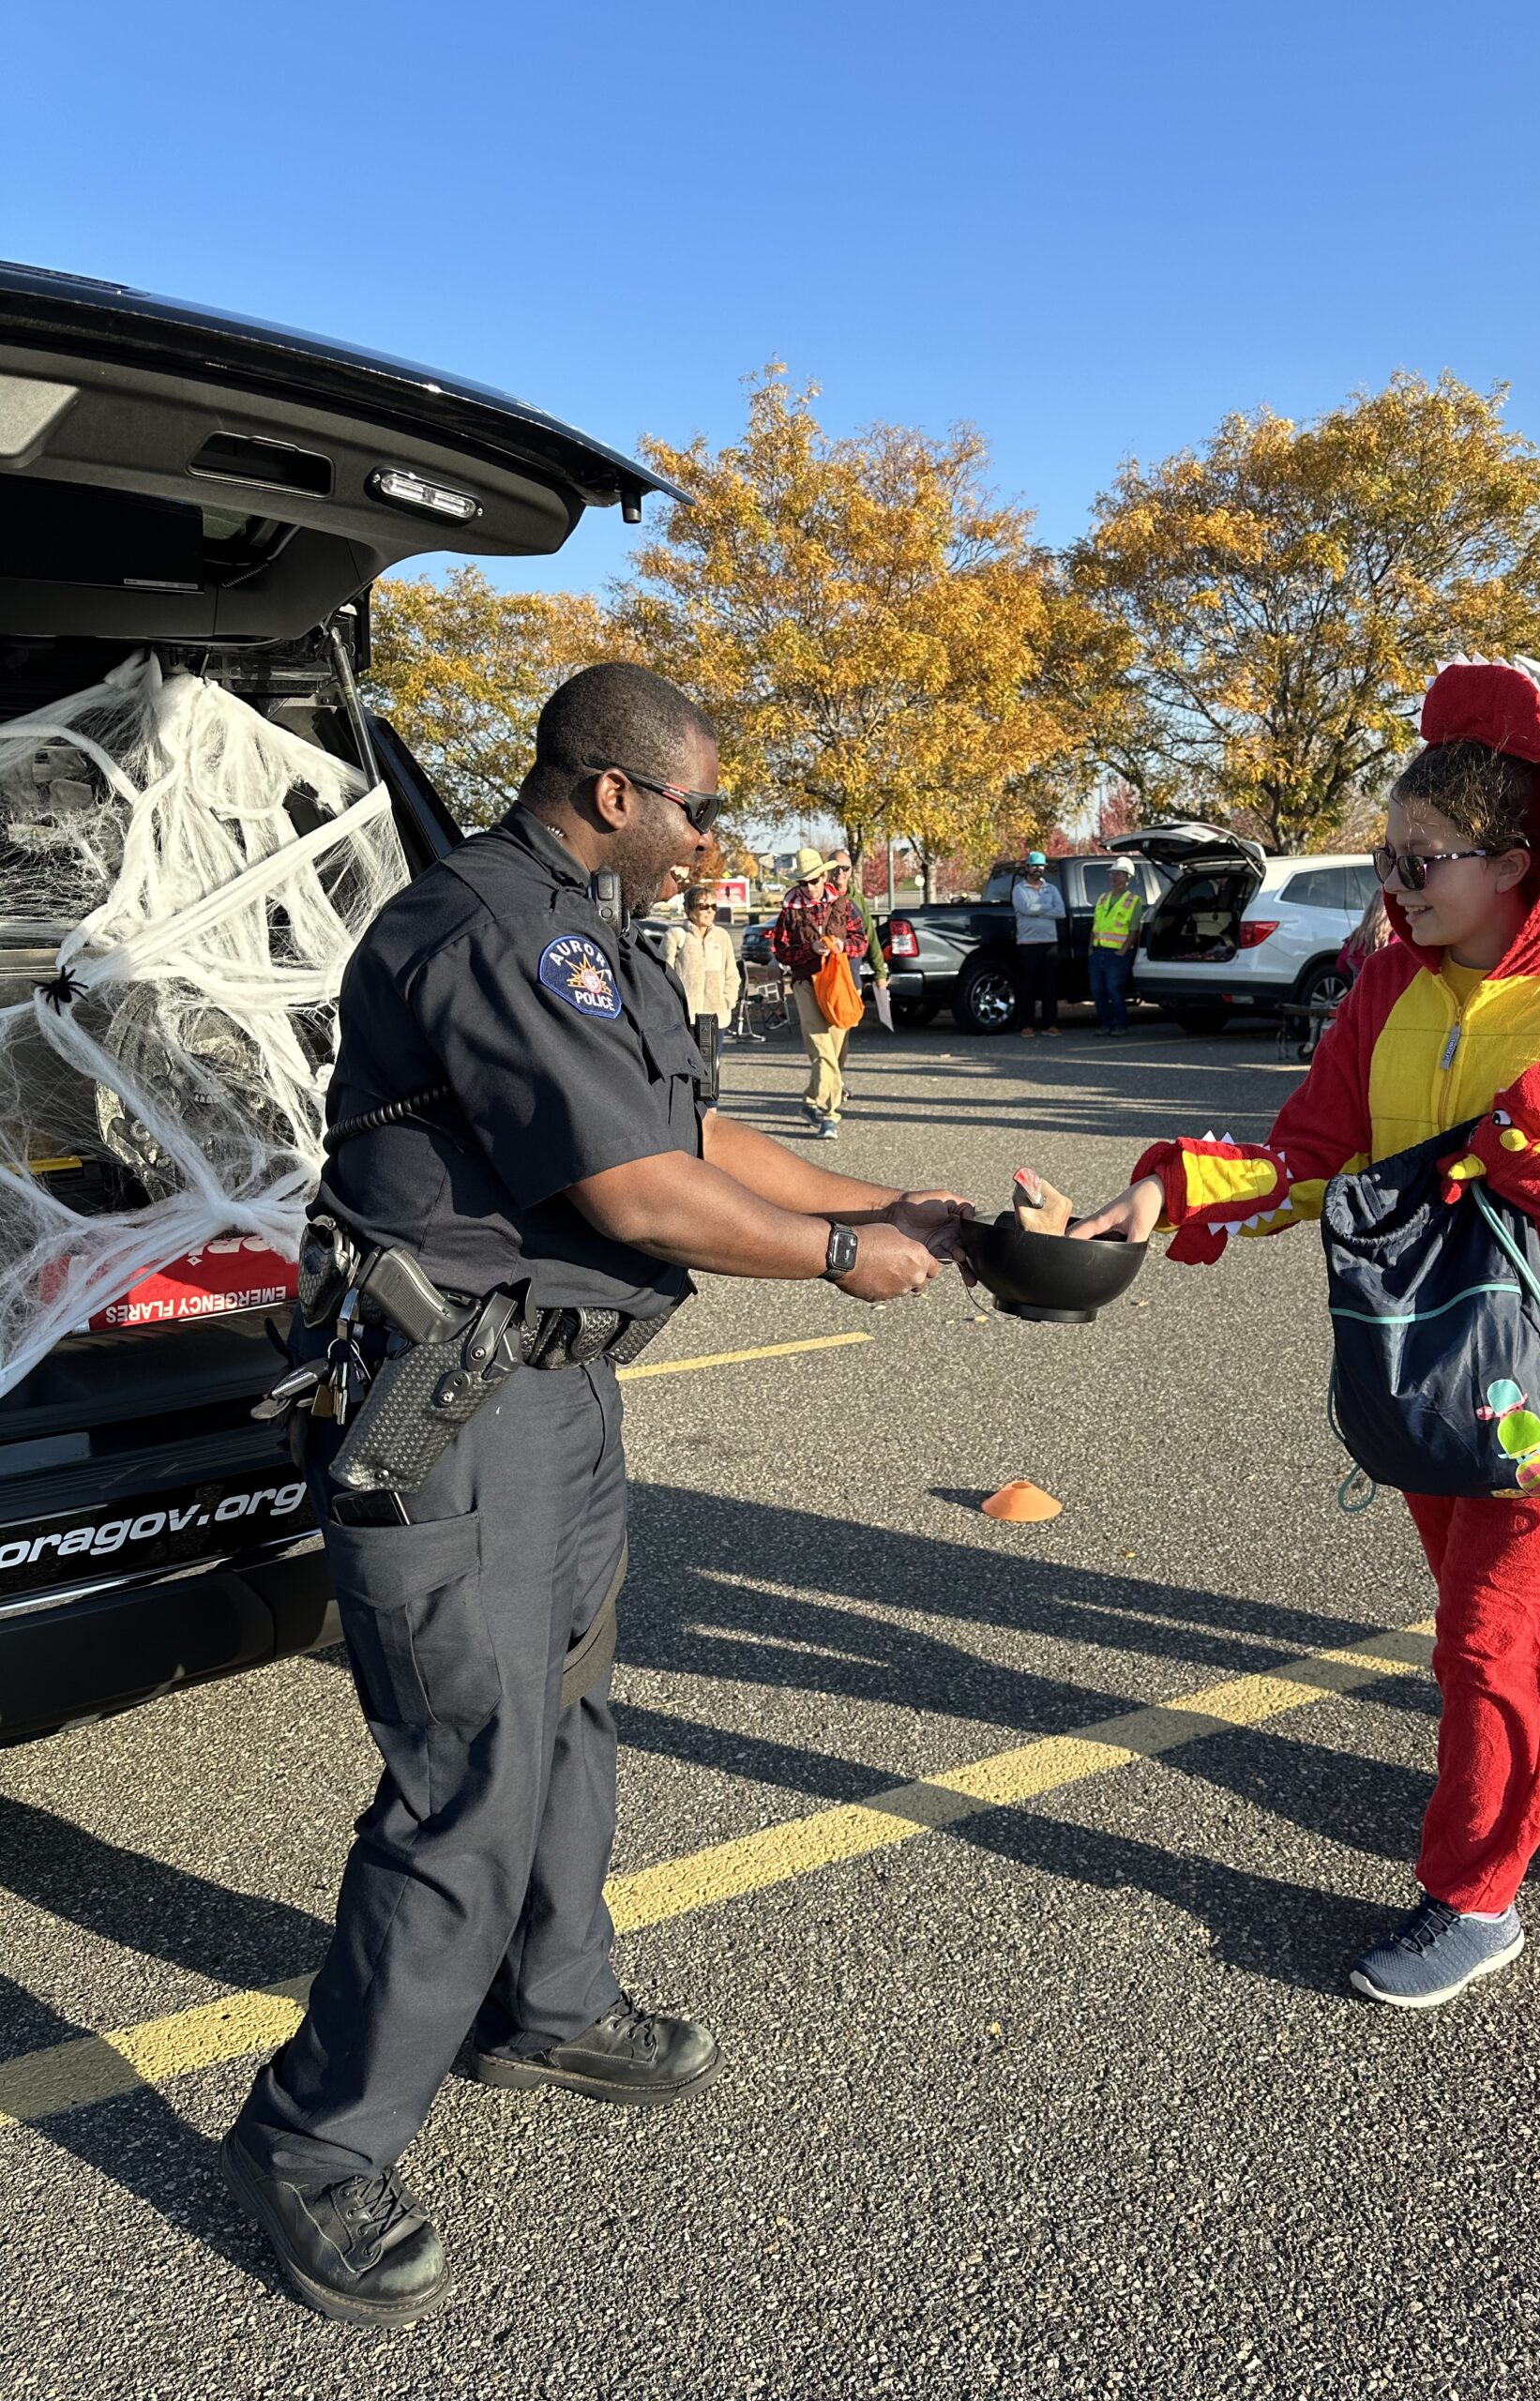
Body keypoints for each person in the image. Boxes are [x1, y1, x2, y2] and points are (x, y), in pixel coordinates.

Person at [222, 664, 969, 2326]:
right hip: (453, 1401)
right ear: (616, 793)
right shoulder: (498, 928)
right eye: (702, 806)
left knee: (567, 1716)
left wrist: (900, 1195)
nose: (718, 838)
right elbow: (641, 1196)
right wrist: (848, 1258)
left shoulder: (592, 935)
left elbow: (700, 1136)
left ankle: (545, 2006)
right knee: (470, 1773)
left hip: (554, 1396)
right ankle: (312, 2141)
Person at [1074, 660, 1540, 2011]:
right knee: (1481, 1631)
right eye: (1388, 855)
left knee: (1504, 1639)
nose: (1396, 883)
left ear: (1518, 860)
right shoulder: (1389, 987)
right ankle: (1508, 1774)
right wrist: (1157, 1196)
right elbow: (1311, 1155)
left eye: (1422, 858)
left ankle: (1477, 1896)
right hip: (1423, 1364)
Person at [772, 846, 868, 1139]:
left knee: (835, 1054)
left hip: (837, 982)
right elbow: (780, 951)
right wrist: (809, 949)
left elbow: (860, 940)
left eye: (814, 880)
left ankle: (810, 1100)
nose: (810, 887)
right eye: (803, 882)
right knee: (822, 1052)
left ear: (824, 876)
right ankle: (830, 1115)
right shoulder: (789, 912)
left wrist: (843, 947)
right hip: (806, 984)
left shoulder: (844, 905)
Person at [669, 882, 741, 1025]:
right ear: (689, 910)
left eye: (714, 907)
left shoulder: (722, 936)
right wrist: (674, 1006)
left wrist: (728, 1001)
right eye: (704, 906)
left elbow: (732, 974)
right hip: (685, 1019)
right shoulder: (676, 935)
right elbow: (663, 977)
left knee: (715, 1049)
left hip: (716, 1018)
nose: (710, 911)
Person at [1012, 851, 1065, 1036]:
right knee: (1028, 986)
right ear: (1027, 868)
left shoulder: (1051, 889)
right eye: (1034, 865)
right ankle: (1026, 1024)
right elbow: (1025, 908)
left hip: (1050, 943)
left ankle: (1049, 1024)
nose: (1037, 869)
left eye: (1041, 866)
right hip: (1027, 944)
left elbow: (1060, 912)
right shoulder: (1019, 890)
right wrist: (1046, 908)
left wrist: (1038, 910)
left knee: (1050, 986)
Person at [1088, 862, 1142, 1034]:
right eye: (1113, 873)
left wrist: (1123, 951)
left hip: (1116, 954)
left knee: (1114, 990)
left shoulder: (1133, 901)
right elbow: (1096, 926)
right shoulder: (1103, 898)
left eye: (1119, 874)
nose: (1114, 877)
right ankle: (1106, 1024)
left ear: (1128, 879)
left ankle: (1121, 1024)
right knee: (1097, 990)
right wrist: (1091, 947)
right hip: (1098, 951)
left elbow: (1134, 930)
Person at [832, 847, 889, 1000]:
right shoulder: (821, 898)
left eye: (845, 868)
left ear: (850, 870)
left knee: (849, 1019)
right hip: (827, 974)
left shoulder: (857, 900)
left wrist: (880, 974)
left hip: (852, 971)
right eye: (835, 867)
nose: (840, 873)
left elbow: (870, 936)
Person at [1336, 886, 1395, 986]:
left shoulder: (1356, 936)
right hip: (1387, 992)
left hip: (1361, 991)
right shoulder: (1395, 936)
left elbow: (1341, 966)